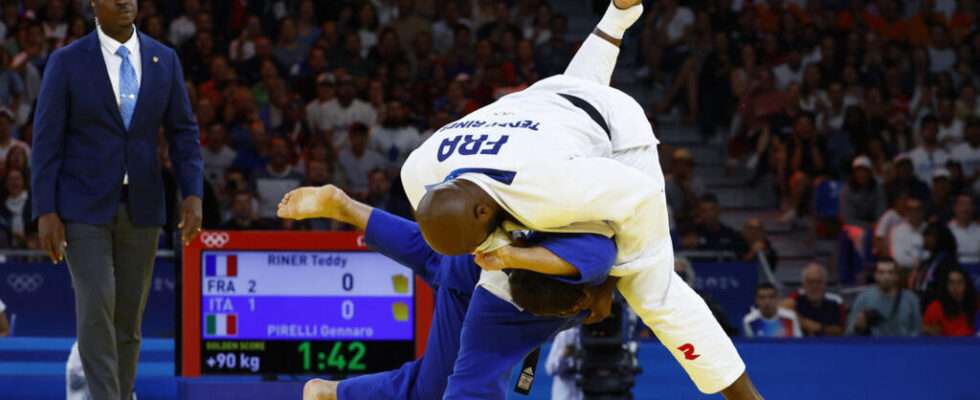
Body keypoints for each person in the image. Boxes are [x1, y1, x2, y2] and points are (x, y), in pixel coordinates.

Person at [399, 1, 762, 398]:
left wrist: (614, 280)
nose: (483, 250)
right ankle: (618, 15)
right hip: (543, 102)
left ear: (483, 211)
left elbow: (639, 200)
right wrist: (509, 254)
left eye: (481, 241)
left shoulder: (556, 191)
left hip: (614, 130)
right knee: (578, 90)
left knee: (652, 292)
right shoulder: (418, 172)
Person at [279, 184, 618, 400]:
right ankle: (333, 393)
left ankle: (347, 207)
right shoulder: (502, 310)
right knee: (437, 387)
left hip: (483, 235)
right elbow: (470, 389)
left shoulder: (602, 247)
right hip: (493, 275)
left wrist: (606, 289)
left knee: (436, 257)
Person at [29, 1, 203, 398]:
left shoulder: (165, 59)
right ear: (94, 2)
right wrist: (45, 209)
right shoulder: (67, 61)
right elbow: (45, 142)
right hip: (81, 209)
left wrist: (193, 193)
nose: (124, 0)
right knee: (96, 308)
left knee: (128, 321)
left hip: (143, 206)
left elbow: (184, 134)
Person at [847, 262, 922, 337]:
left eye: (890, 272)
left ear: (896, 276)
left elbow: (917, 330)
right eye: (882, 272)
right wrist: (858, 328)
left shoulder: (910, 299)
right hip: (873, 346)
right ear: (875, 275)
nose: (886, 277)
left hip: (903, 346)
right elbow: (850, 331)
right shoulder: (864, 298)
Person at [779, 264, 845, 337]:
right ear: (803, 284)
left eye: (817, 282)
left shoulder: (834, 303)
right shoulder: (797, 299)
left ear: (824, 284)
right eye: (809, 282)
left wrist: (820, 328)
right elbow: (782, 307)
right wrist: (805, 323)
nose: (813, 286)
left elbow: (840, 330)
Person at [922, 268, 979, 336]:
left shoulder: (977, 303)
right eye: (951, 283)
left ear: (967, 284)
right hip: (945, 346)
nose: (956, 287)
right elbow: (923, 329)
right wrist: (930, 330)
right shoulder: (936, 307)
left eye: (960, 282)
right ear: (946, 286)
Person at [545, 327, 583, 400]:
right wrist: (563, 355)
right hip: (565, 395)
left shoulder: (596, 335)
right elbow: (550, 369)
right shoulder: (565, 334)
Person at [948, 194, 980, 263]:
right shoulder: (947, 230)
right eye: (962, 204)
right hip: (953, 269)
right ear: (955, 207)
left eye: (969, 205)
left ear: (974, 208)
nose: (966, 208)